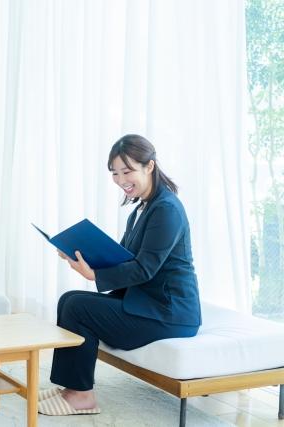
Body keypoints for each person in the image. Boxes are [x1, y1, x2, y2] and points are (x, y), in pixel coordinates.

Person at [38, 134, 201, 416]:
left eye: (127, 171)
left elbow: (144, 268)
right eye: (115, 173)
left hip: (169, 314)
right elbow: (123, 258)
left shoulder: (167, 209)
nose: (121, 179)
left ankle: (82, 396)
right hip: (146, 303)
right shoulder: (142, 208)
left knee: (78, 306)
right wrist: (78, 254)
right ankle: (71, 388)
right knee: (69, 299)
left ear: (149, 166)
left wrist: (94, 276)